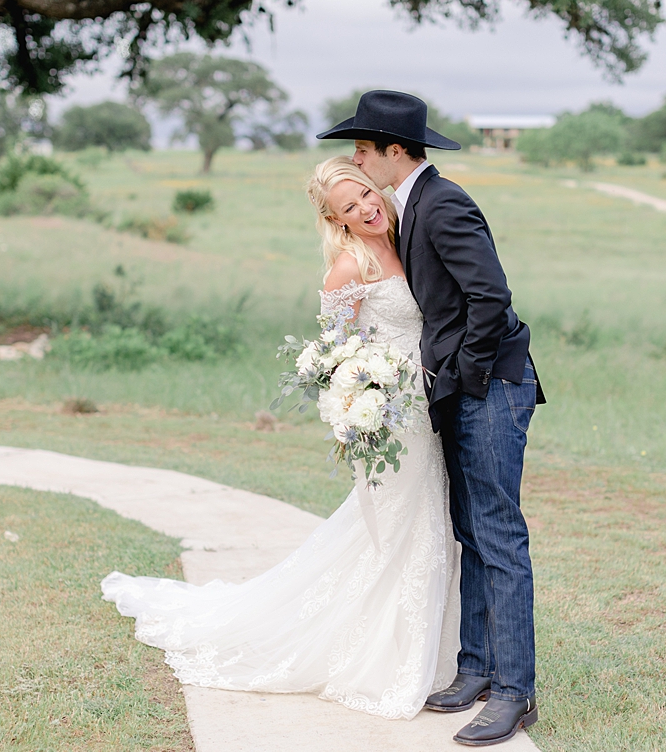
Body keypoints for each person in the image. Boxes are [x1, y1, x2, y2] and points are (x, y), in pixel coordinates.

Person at [100, 157, 460, 720]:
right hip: (391, 417)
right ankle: (387, 658)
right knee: (395, 534)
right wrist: (362, 408)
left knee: (430, 524)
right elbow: (336, 355)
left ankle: (437, 652)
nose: (366, 208)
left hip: (429, 408)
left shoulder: (409, 238)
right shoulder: (349, 267)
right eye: (349, 207)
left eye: (365, 194)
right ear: (335, 220)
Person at [318, 90, 545, 747]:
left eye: (363, 150)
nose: (357, 163)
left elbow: (489, 296)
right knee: (472, 531)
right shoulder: (407, 206)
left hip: (491, 387)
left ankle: (514, 692)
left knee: (499, 534)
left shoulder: (442, 203)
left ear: (394, 151)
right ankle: (475, 668)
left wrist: (465, 379)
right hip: (457, 390)